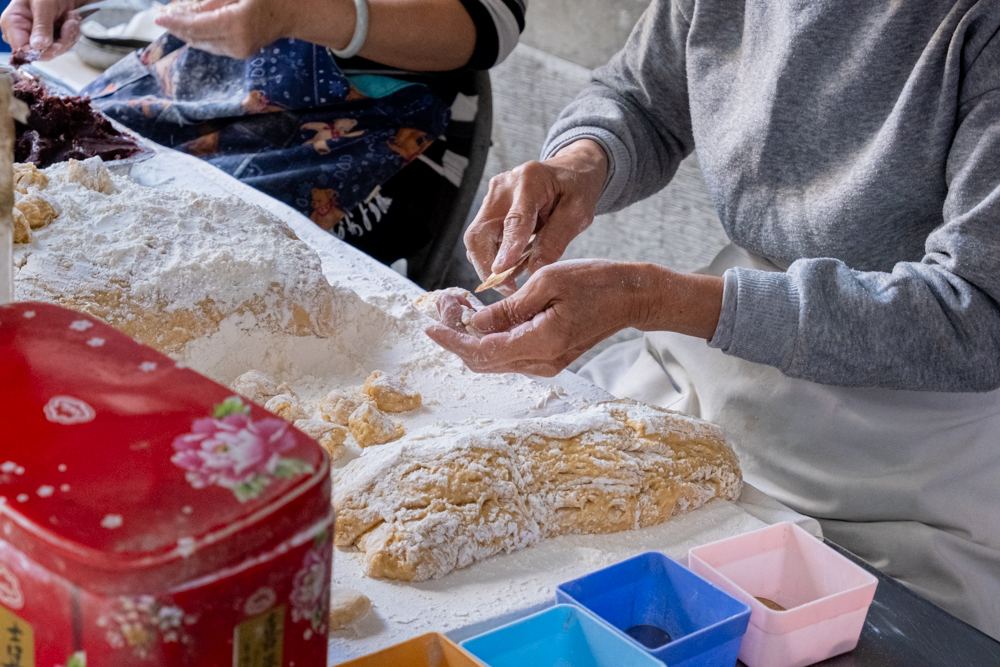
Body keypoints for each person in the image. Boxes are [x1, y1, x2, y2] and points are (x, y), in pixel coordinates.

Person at [428, 0, 1000, 640]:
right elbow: (642, 96)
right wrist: (581, 164)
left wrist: (651, 299)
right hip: (709, 363)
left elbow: (977, 314)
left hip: (912, 451)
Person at [0, 0, 525, 269]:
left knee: (178, 271)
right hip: (189, 76)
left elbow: (489, 20)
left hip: (352, 132)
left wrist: (293, 11)